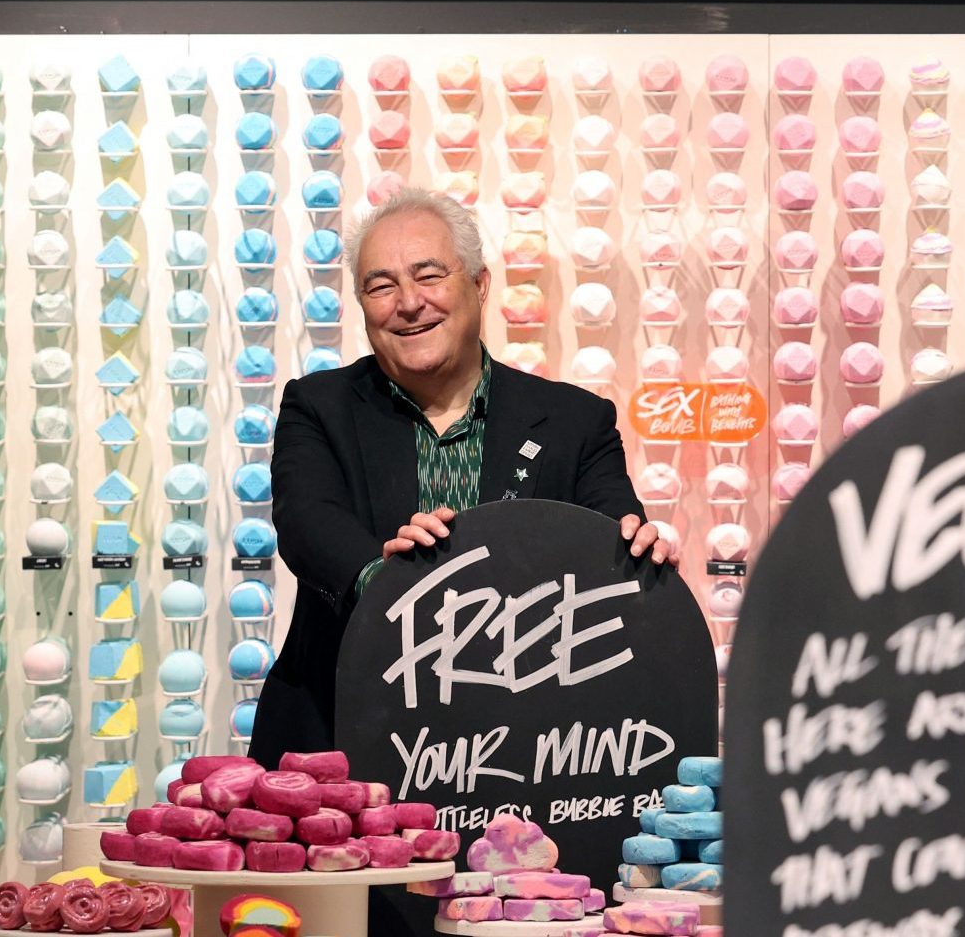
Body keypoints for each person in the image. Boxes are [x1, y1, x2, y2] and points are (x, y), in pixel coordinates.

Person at [252, 188, 675, 766]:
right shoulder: (317, 405)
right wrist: (391, 586)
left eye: (428, 276)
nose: (408, 303)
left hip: (526, 748)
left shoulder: (576, 420)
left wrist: (636, 557)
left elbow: (608, 533)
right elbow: (308, 521)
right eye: (380, 286)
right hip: (343, 735)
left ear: (478, 284)